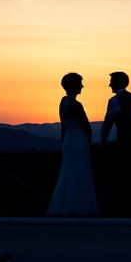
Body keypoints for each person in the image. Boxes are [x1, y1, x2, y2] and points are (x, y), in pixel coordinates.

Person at [47, 73, 99, 216]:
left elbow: (63, 126)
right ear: (74, 86)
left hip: (68, 141)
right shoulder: (77, 104)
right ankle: (82, 207)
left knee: (68, 173)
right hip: (79, 141)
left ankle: (66, 205)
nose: (82, 86)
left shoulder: (62, 102)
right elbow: (87, 127)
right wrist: (90, 143)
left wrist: (63, 143)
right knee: (81, 173)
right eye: (80, 83)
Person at [100, 71, 131, 216]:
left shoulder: (114, 100)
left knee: (122, 175)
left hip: (124, 142)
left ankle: (121, 207)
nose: (109, 85)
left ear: (117, 83)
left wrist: (102, 141)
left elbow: (108, 122)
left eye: (111, 82)